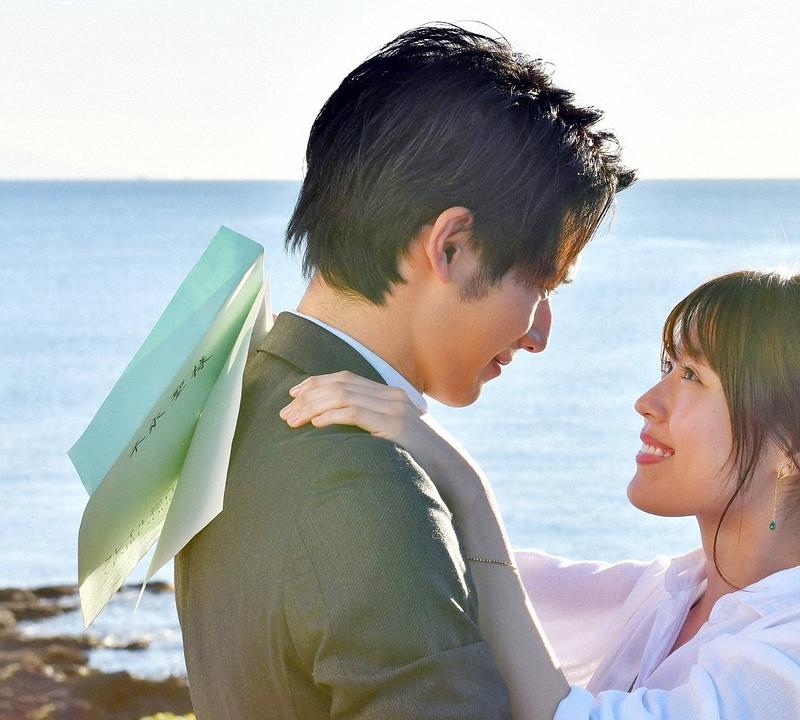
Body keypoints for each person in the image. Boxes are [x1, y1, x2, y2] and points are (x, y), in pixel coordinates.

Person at [174, 23, 634, 719]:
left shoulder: (242, 395)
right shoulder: (363, 479)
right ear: (452, 247)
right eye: (541, 284)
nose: (540, 332)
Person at [282, 269, 800, 720]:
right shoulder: (665, 594)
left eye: (693, 377)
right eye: (668, 367)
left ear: (798, 451)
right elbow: (466, 576)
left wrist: (465, 486)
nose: (648, 401)